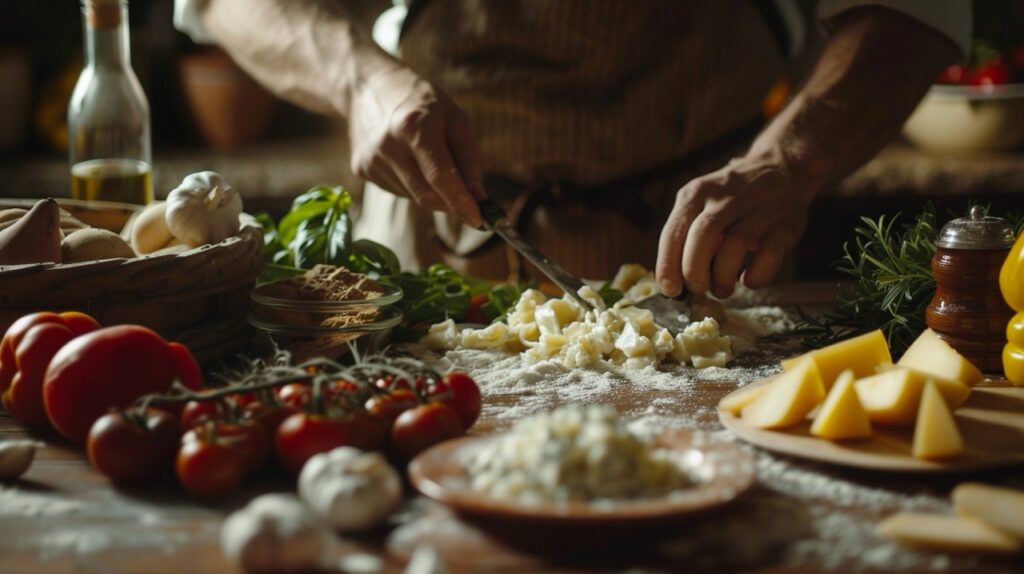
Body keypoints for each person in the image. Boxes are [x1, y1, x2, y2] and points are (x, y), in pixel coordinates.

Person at [175, 0, 967, 298]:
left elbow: (913, 11)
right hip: (435, 233)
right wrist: (358, 81)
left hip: (714, 242)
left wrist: (785, 163)